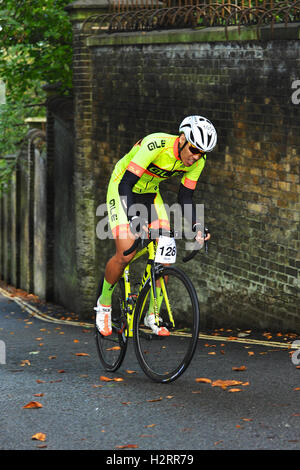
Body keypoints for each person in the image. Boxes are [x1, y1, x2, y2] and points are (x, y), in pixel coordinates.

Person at [95, 115, 217, 336]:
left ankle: (153, 313)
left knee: (166, 251)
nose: (196, 156)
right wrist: (134, 218)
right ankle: (103, 304)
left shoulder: (198, 161)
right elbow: (126, 183)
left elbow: (185, 197)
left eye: (202, 153)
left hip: (151, 194)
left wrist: (198, 226)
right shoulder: (155, 144)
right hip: (123, 188)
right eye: (194, 149)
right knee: (125, 253)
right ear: (182, 139)